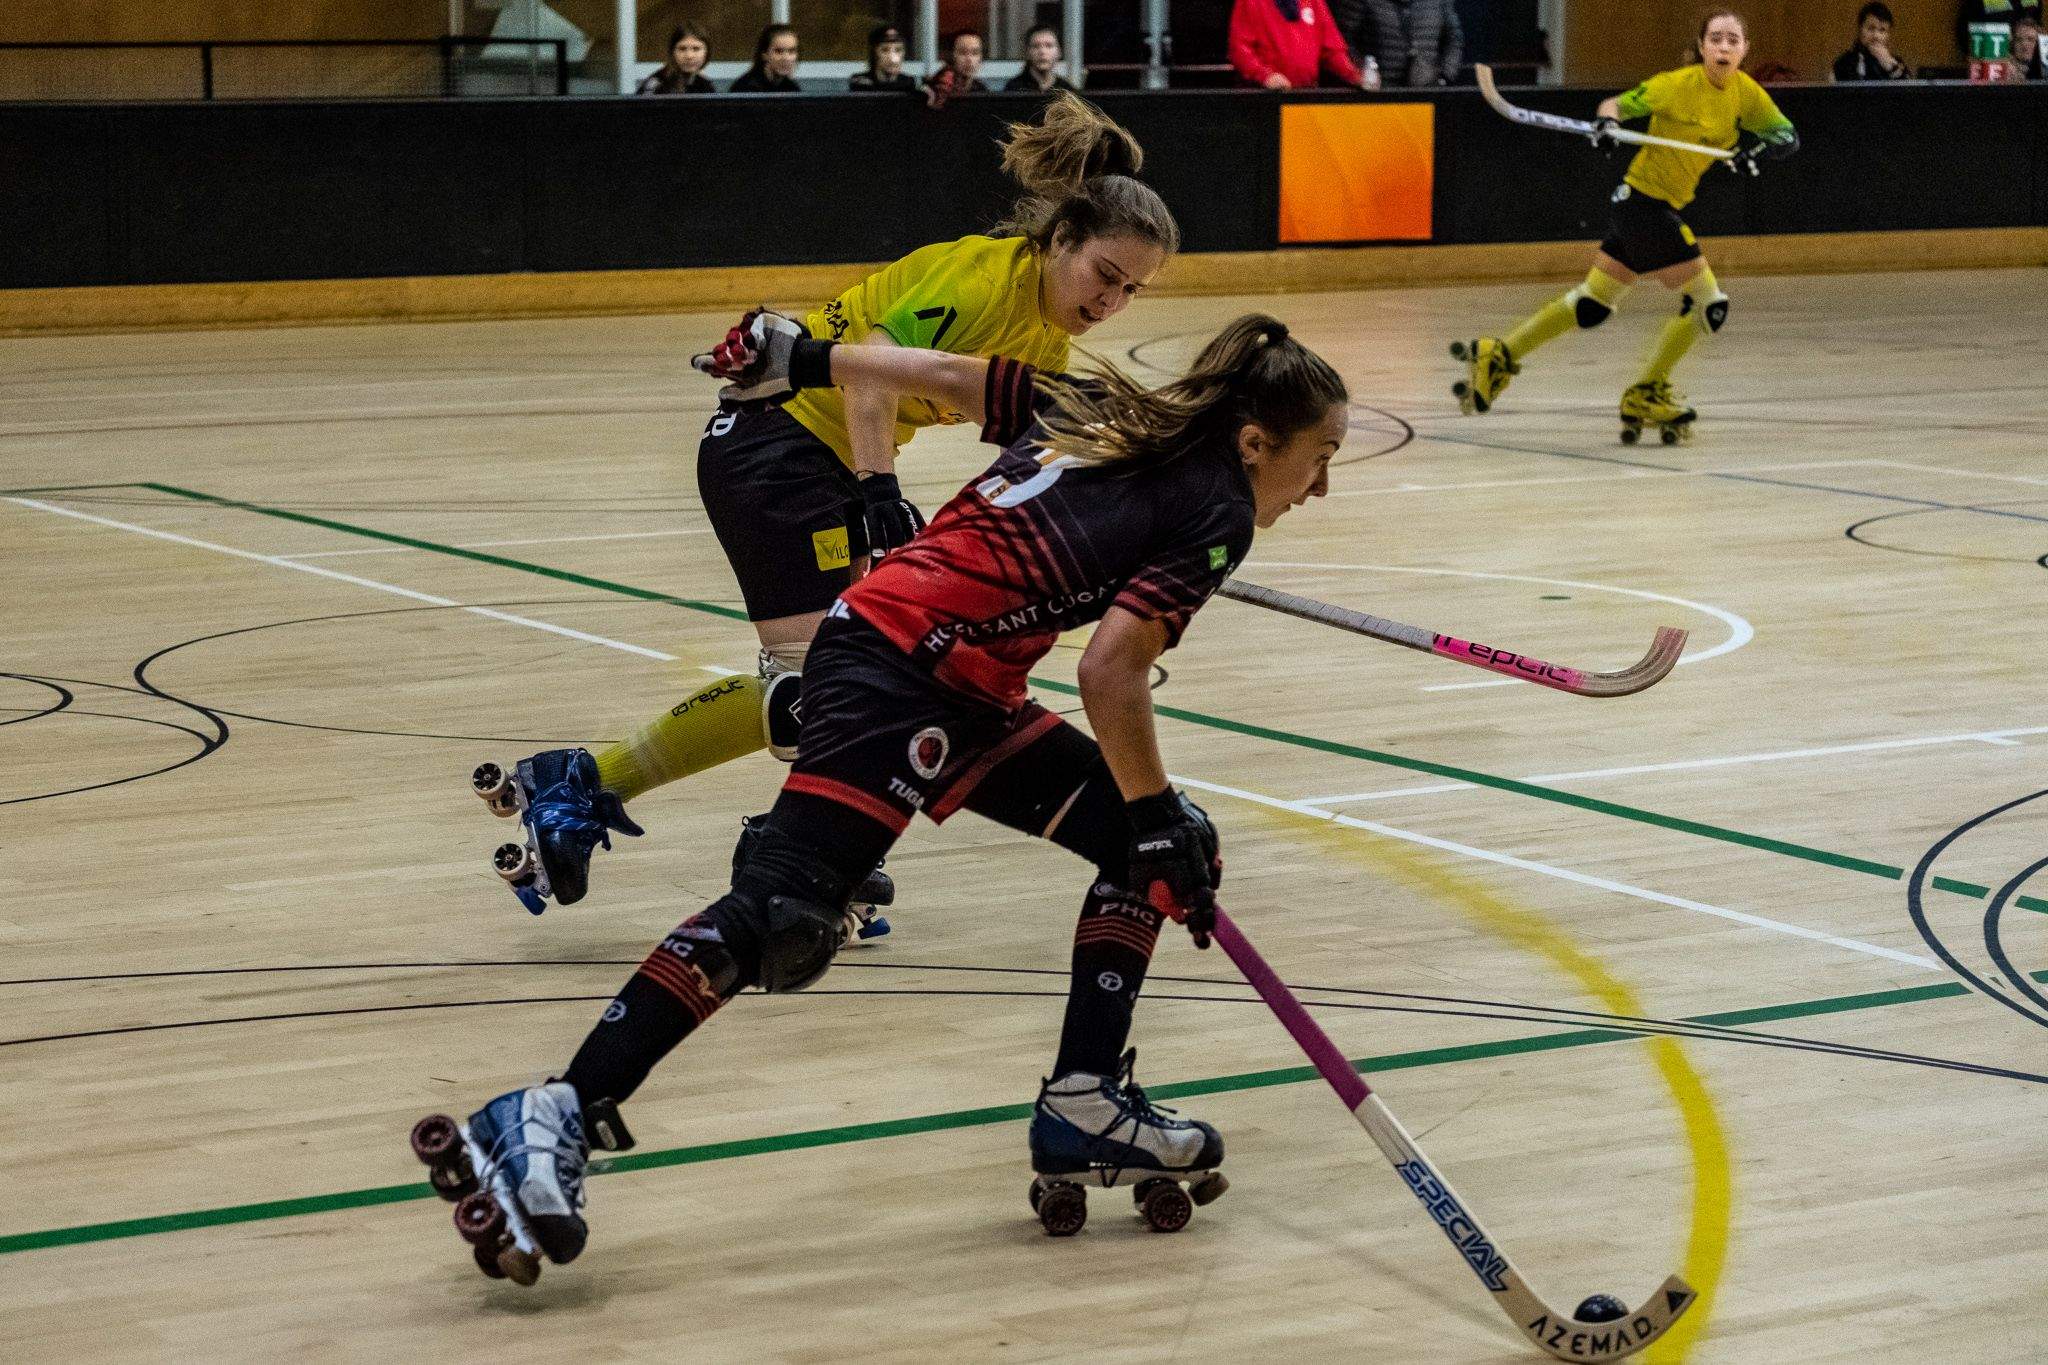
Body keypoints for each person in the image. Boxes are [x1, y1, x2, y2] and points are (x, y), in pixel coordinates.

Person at [415, 309, 1350, 1279]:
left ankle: (1083, 1101)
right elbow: (1112, 672)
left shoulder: (1098, 405)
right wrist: (1154, 810)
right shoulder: (1215, 512)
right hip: (895, 666)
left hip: (957, 676)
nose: (1318, 484)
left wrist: (801, 360)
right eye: (1318, 456)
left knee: (1146, 852)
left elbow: (937, 374)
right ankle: (554, 1108)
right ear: (1253, 441)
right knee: (785, 911)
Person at [474, 94, 1180, 929]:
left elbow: (1026, 464)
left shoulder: (1049, 342)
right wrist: (880, 490)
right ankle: (755, 838)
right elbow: (870, 366)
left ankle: (615, 788)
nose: (1112, 301)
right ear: (1061, 239)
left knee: (836, 688)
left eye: (1132, 290)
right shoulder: (987, 277)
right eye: (1105, 274)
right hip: (775, 447)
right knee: (820, 696)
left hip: (820, 462)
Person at [1451, 9, 1797, 444]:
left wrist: (1760, 151)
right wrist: (1610, 123)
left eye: (1733, 40)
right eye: (1715, 39)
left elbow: (1786, 135)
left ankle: (1499, 355)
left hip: (1654, 208)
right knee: (1709, 303)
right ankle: (1648, 391)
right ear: (1702, 45)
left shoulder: (1747, 94)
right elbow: (1615, 104)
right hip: (1643, 206)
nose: (1724, 48)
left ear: (1745, 49)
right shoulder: (1676, 84)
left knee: (1592, 303)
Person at [1228, 0, 1372, 89]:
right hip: (1266, 99)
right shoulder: (1251, 1)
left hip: (1305, 96)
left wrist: (1354, 75)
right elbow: (1240, 49)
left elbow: (1332, 50)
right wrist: (1266, 76)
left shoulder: (1314, 2)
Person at [1337, 0, 1463, 86]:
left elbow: (1454, 39)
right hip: (1377, 95)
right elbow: (1343, 41)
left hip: (1427, 91)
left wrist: (1445, 76)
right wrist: (1362, 74)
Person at [1833, 2, 1913, 80]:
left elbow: (1910, 89)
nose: (1876, 36)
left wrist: (1890, 66)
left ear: (1888, 35)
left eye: (1882, 30)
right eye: (1871, 28)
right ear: (1860, 30)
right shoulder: (1844, 63)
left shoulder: (1897, 63)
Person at [636, 24, 715, 95]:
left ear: (707, 52)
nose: (689, 56)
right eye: (682, 49)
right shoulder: (656, 85)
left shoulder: (705, 86)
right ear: (672, 52)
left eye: (696, 49)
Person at [1005, 24, 1080, 93]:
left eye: (1049, 46)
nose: (1042, 52)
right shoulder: (1014, 90)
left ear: (1059, 52)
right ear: (1027, 52)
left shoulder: (1066, 91)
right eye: (1036, 46)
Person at [924, 30, 991, 105]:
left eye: (975, 53)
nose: (969, 59)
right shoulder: (941, 86)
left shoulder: (980, 89)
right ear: (952, 56)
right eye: (962, 52)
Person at [730, 23, 801, 92]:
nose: (786, 58)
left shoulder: (792, 88)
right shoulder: (745, 90)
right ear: (764, 54)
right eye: (778, 51)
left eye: (791, 51)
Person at [849, 23, 916, 91]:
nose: (892, 58)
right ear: (874, 53)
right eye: (885, 50)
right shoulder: (861, 82)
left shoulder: (908, 82)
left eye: (898, 50)